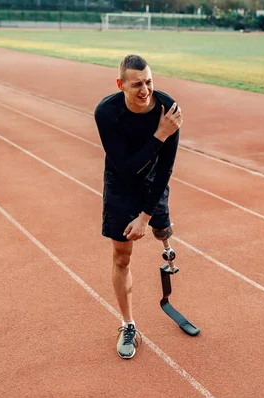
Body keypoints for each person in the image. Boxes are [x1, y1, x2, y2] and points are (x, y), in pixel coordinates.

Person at [94, 54, 183, 359]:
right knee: (122, 256)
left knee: (162, 228)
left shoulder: (168, 109)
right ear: (120, 85)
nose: (145, 90)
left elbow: (166, 169)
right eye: (136, 85)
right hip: (120, 182)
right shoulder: (107, 112)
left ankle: (164, 236)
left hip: (155, 179)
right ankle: (128, 324)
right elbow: (126, 169)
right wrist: (160, 134)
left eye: (149, 82)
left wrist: (145, 216)